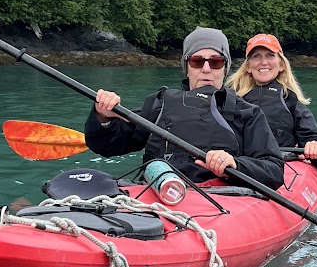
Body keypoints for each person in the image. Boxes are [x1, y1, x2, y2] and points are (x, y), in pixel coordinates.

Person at [84, 26, 285, 189]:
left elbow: (274, 170)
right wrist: (103, 117)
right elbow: (107, 146)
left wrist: (235, 164)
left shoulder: (248, 113)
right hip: (161, 195)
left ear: (225, 68)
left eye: (215, 62)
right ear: (187, 67)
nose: (206, 69)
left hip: (221, 200)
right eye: (197, 61)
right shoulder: (160, 104)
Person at [228, 33, 317, 168]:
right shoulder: (230, 98)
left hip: (278, 165)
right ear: (248, 66)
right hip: (239, 165)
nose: (263, 62)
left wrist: (315, 145)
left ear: (281, 64)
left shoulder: (290, 100)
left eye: (270, 55)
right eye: (256, 56)